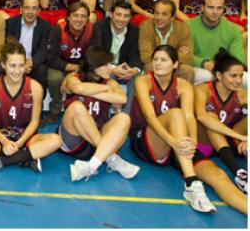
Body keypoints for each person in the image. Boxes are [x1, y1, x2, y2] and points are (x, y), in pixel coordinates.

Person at [130, 45, 216, 213]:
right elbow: (150, 117)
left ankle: (193, 183)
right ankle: (191, 182)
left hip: (173, 144)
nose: (158, 63)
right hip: (144, 139)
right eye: (155, 59)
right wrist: (174, 143)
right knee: (175, 114)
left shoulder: (183, 85)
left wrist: (193, 143)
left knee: (180, 116)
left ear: (175, 64)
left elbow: (190, 117)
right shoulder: (143, 81)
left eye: (163, 60)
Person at [0, 40, 61, 172]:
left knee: (56, 140)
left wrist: (20, 142)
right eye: (12, 66)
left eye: (21, 65)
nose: (17, 71)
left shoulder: (35, 88)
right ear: (3, 65)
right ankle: (26, 158)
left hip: (25, 138)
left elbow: (35, 121)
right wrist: (4, 141)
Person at [59, 46, 140, 181]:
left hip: (97, 135)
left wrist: (96, 92)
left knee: (124, 118)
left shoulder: (110, 81)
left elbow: (122, 98)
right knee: (76, 107)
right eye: (106, 64)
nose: (110, 68)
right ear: (94, 65)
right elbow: (78, 88)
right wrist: (107, 90)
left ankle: (92, 165)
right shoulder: (74, 77)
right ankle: (111, 157)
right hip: (74, 137)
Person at [194, 50, 248, 206]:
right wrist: (242, 137)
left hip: (226, 145)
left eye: (240, 76)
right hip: (203, 144)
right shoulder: (203, 90)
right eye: (233, 76)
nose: (238, 80)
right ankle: (239, 173)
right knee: (210, 118)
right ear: (218, 75)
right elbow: (201, 117)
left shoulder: (242, 95)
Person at [45, 1, 101, 124]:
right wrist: (72, 69)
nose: (79, 19)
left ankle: (87, 110)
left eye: (83, 16)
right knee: (54, 78)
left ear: (87, 19)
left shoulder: (93, 30)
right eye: (75, 15)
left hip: (84, 65)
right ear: (68, 17)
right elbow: (51, 58)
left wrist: (76, 71)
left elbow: (93, 56)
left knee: (93, 75)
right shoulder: (57, 29)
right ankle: (55, 110)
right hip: (60, 65)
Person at [186, 0, 247, 86]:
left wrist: (221, 67)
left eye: (219, 8)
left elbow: (238, 58)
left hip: (225, 69)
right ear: (202, 8)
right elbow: (182, 54)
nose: (215, 12)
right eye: (210, 7)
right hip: (198, 67)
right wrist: (203, 63)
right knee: (206, 76)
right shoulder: (187, 26)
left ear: (224, 9)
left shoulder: (233, 29)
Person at [96, 1, 143, 113]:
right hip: (105, 66)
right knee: (107, 75)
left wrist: (134, 70)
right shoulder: (99, 27)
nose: (121, 19)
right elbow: (97, 54)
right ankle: (105, 116)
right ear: (111, 14)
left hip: (124, 68)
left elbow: (136, 55)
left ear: (130, 17)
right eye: (118, 14)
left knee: (138, 79)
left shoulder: (134, 30)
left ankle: (126, 115)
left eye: (126, 16)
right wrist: (112, 68)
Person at [139, 0, 194, 82]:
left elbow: (187, 57)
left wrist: (166, 64)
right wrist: (172, 59)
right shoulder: (145, 27)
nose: (159, 17)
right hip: (153, 64)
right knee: (150, 67)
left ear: (172, 17)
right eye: (156, 13)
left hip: (175, 66)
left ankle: (183, 94)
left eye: (164, 14)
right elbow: (146, 57)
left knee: (187, 70)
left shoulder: (183, 29)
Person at [5, 0, 50, 92]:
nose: (30, 12)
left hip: (33, 63)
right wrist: (20, 64)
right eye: (27, 8)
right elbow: (8, 47)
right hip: (14, 61)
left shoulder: (45, 26)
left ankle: (38, 101)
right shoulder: (10, 23)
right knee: (0, 68)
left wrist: (32, 63)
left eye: (34, 8)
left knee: (41, 70)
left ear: (39, 11)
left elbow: (43, 50)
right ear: (21, 9)